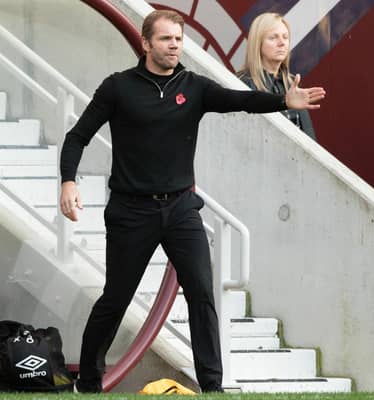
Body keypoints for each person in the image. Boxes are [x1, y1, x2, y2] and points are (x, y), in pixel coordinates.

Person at [59, 9, 325, 393]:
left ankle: (212, 386)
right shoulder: (119, 87)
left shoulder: (194, 86)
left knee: (201, 292)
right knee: (116, 298)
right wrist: (69, 182)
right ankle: (88, 381)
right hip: (131, 210)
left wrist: (284, 100)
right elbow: (77, 136)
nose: (174, 46)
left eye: (179, 39)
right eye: (166, 39)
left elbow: (241, 100)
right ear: (147, 43)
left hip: (182, 207)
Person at [238, 13, 317, 141]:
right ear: (258, 43)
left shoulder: (291, 83)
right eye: (273, 37)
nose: (282, 43)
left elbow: (309, 140)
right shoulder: (243, 83)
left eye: (285, 37)